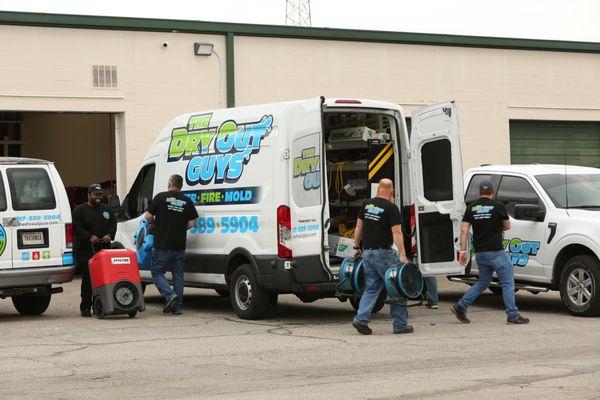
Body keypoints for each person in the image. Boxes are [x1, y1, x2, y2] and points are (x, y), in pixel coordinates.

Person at [451, 180, 530, 324]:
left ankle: (461, 305)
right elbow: (507, 226)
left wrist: (462, 252)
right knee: (507, 282)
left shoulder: (472, 207)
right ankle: (512, 315)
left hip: (480, 253)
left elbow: (463, 231)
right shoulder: (498, 206)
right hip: (496, 251)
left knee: (483, 282)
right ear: (492, 192)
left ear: (479, 192)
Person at [351, 178, 413, 335]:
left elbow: (358, 227)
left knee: (371, 288)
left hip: (368, 253)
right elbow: (397, 232)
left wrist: (356, 247)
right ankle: (400, 325)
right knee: (396, 286)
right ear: (391, 190)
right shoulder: (391, 208)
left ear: (379, 189)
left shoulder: (367, 204)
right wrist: (403, 255)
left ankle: (361, 319)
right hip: (383, 254)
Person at [145, 174, 198, 315]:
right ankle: (177, 307)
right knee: (178, 276)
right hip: (179, 245)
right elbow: (192, 223)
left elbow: (148, 216)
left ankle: (170, 295)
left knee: (157, 272)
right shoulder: (187, 201)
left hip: (162, 243)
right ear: (180, 186)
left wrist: (157, 226)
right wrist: (180, 228)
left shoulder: (161, 197)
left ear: (169, 184)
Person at [72, 183, 116, 317]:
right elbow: (77, 229)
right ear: (89, 195)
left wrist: (109, 235)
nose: (98, 197)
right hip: (86, 250)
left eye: (100, 195)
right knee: (88, 279)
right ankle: (85, 306)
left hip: (104, 250)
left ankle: (102, 304)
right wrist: (89, 237)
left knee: (105, 278)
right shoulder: (79, 210)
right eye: (95, 195)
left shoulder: (106, 210)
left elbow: (113, 224)